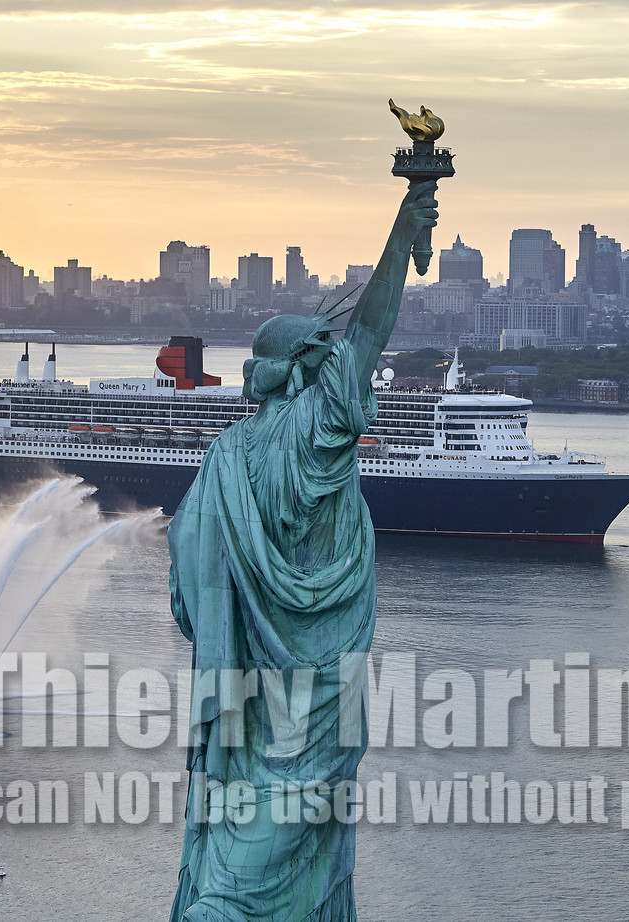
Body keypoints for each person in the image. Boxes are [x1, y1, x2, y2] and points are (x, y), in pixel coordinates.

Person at [167, 180, 439, 921]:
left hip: (246, 681)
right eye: (324, 355)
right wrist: (404, 226)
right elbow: (371, 330)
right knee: (270, 854)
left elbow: (187, 591)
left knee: (247, 833)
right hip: (323, 682)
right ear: (304, 368)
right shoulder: (316, 433)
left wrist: (226, 617)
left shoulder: (225, 455)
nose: (337, 362)